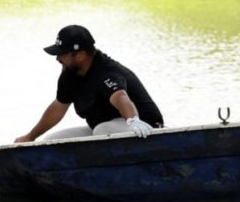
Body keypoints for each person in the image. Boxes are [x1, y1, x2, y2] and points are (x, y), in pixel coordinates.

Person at [15, 25, 163, 142]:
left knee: (102, 130)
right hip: (107, 130)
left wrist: (133, 120)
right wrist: (30, 137)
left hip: (144, 127)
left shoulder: (106, 71)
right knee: (51, 141)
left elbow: (120, 97)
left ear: (80, 55)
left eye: (62, 54)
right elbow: (57, 109)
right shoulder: (70, 74)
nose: (58, 59)